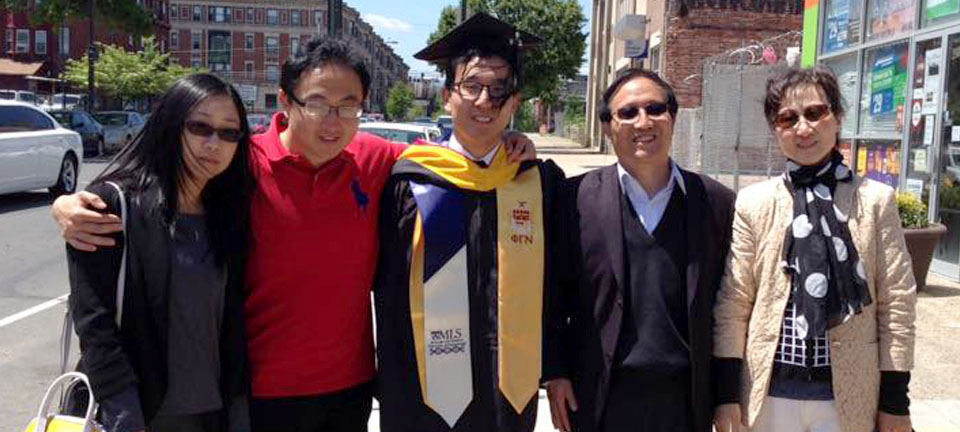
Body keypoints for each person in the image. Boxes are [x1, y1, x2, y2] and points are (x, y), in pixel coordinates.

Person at [53, 38, 535, 432]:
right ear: (286, 101)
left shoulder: (374, 158)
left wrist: (511, 142)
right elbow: (161, 182)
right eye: (318, 103)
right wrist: (69, 205)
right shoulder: (241, 163)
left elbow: (457, 159)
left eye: (348, 107)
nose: (333, 122)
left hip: (348, 391)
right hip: (257, 392)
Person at [373, 12, 570, 432]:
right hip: (422, 392)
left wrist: (555, 367)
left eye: (500, 90)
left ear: (515, 103)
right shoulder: (408, 182)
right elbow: (386, 294)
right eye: (472, 86)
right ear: (448, 96)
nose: (485, 101)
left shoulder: (538, 184)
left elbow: (555, 288)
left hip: (507, 392)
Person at [712, 66, 916, 432]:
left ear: (837, 118)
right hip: (767, 395)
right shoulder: (754, 203)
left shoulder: (875, 201)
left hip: (849, 396)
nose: (803, 128)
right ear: (775, 129)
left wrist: (895, 401)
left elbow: (897, 302)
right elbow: (734, 301)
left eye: (815, 113)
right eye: (787, 118)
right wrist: (726, 393)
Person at [545, 68, 736, 432]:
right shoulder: (573, 199)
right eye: (628, 112)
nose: (643, 121)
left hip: (685, 404)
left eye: (655, 109)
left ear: (673, 118)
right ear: (608, 126)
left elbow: (729, 308)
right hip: (599, 398)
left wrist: (727, 393)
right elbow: (552, 296)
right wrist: (555, 371)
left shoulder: (716, 203)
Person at [67, 73, 253, 432]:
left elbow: (231, 323)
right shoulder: (111, 205)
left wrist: (238, 411)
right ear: (170, 125)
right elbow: (94, 323)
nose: (214, 143)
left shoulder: (229, 213)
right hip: (139, 414)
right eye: (199, 127)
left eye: (229, 132)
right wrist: (125, 416)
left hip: (211, 415)